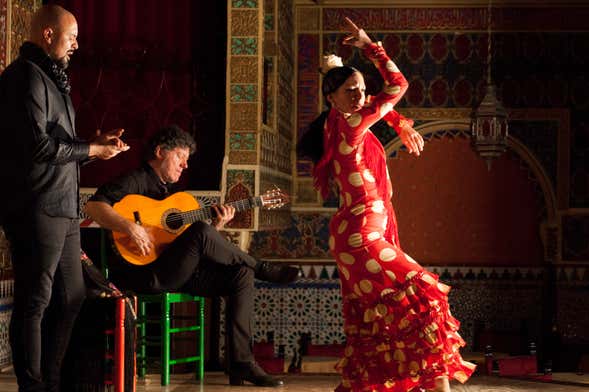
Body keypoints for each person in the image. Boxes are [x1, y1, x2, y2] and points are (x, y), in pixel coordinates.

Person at [297, 18, 475, 392]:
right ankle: (436, 387)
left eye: (361, 89)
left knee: (385, 318)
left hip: (353, 235)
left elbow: (377, 104)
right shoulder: (351, 126)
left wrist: (396, 121)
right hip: (363, 236)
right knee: (425, 295)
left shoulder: (337, 122)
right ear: (332, 99)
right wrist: (369, 46)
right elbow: (397, 85)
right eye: (350, 91)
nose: (359, 96)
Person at [84, 125, 299, 387]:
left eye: (187, 160)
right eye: (180, 157)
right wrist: (130, 227)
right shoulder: (134, 180)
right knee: (201, 231)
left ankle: (241, 363)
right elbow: (93, 206)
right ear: (160, 152)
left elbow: (184, 243)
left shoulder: (169, 195)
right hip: (144, 274)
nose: (185, 165)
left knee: (240, 275)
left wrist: (216, 228)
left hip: (175, 272)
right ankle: (262, 267)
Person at [0, 5, 129, 392]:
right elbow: (38, 148)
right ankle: (33, 384)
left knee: (72, 296)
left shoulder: (51, 81)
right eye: (71, 36)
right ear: (48, 35)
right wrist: (90, 149)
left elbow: (61, 148)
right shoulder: (24, 77)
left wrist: (95, 145)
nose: (76, 44)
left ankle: (52, 380)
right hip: (37, 206)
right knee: (35, 299)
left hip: (64, 208)